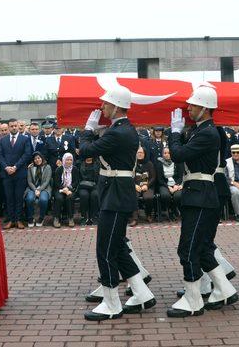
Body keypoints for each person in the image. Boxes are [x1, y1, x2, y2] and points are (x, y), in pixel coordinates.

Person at [80, 84, 155, 321]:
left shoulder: (118, 132)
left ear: (115, 106)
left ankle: (112, 303)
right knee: (119, 247)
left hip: (115, 196)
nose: (102, 107)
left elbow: (85, 150)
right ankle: (142, 293)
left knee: (106, 249)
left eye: (105, 103)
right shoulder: (122, 130)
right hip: (116, 193)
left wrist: (88, 130)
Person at [167, 82, 237, 317]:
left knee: (187, 249)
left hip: (200, 196)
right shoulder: (201, 130)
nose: (188, 108)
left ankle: (194, 300)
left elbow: (177, 155)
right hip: (197, 193)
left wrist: (175, 133)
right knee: (203, 249)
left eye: (193, 105)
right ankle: (225, 289)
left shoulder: (207, 132)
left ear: (205, 109)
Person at [0, 119, 32, 229]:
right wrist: (6, 167)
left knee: (19, 198)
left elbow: (27, 155)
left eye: (15, 126)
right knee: (9, 198)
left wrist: (16, 167)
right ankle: (11, 220)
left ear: (18, 126)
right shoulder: (3, 140)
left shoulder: (25, 139)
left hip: (20, 173)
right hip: (7, 173)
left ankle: (19, 220)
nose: (13, 128)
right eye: (11, 126)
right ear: (8, 127)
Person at [24, 151, 52, 227]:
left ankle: (41, 218)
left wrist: (39, 190)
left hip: (44, 188)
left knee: (43, 200)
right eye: (35, 159)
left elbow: (47, 181)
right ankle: (30, 218)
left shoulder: (47, 167)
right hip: (32, 188)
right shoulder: (30, 167)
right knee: (29, 199)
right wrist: (35, 190)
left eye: (39, 158)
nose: (37, 160)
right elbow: (29, 181)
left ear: (42, 158)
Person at [52, 152, 80, 228]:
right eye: (67, 160)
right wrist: (64, 189)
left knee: (70, 197)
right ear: (64, 160)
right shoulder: (59, 169)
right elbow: (56, 183)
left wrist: (68, 188)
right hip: (60, 189)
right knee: (59, 198)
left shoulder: (75, 169)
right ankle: (56, 218)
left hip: (71, 189)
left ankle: (70, 218)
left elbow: (76, 182)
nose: (69, 161)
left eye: (71, 160)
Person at [156, 146, 183, 221]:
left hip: (176, 184)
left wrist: (176, 185)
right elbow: (160, 179)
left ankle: (173, 208)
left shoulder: (177, 162)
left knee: (178, 196)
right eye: (165, 153)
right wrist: (168, 187)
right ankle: (169, 209)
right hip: (164, 184)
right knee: (165, 195)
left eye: (169, 153)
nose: (167, 154)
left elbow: (180, 176)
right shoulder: (159, 164)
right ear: (162, 154)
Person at [132, 146, 156, 225]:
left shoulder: (149, 163)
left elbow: (153, 177)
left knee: (148, 197)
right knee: (133, 197)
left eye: (141, 153)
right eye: (138, 152)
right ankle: (135, 218)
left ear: (144, 154)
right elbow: (129, 176)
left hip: (147, 186)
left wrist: (147, 185)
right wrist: (134, 185)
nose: (139, 154)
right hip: (135, 186)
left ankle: (148, 214)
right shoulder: (132, 164)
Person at [77, 156, 100, 225]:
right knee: (84, 195)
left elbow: (99, 177)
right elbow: (77, 176)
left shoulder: (98, 163)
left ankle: (94, 217)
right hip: (83, 185)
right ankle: (84, 217)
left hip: (94, 185)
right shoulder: (79, 163)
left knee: (95, 195)